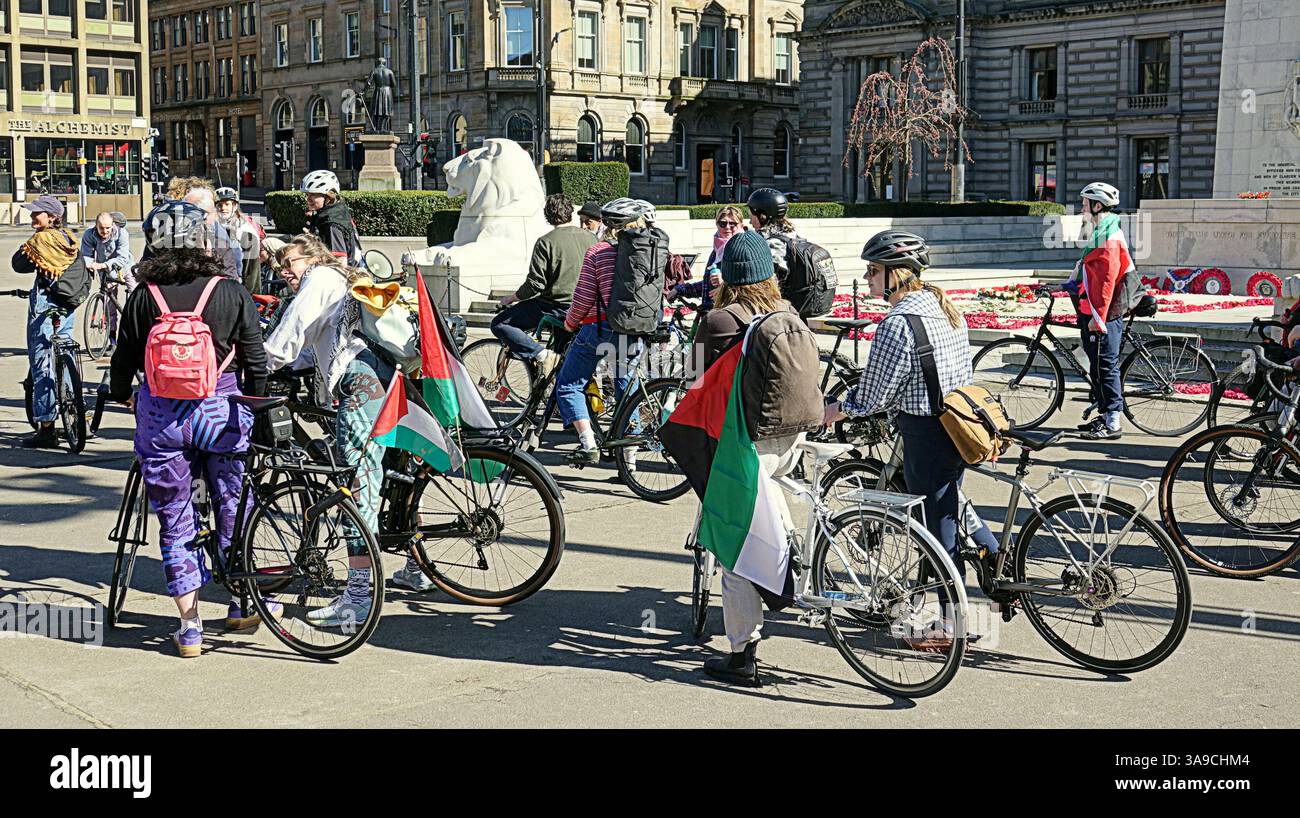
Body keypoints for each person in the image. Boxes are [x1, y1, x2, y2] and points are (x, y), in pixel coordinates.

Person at [824, 230, 1000, 651]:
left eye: (873, 270)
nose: (867, 278)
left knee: (938, 530)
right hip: (959, 425)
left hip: (926, 433)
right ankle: (995, 557)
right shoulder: (944, 308)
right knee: (952, 505)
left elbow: (874, 394)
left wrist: (837, 410)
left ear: (896, 274)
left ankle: (952, 624)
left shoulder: (897, 324)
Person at [107, 213, 269, 658]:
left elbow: (124, 358)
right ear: (205, 243)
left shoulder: (145, 295)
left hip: (163, 418)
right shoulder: (230, 291)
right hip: (221, 412)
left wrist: (122, 395)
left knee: (175, 517)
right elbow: (256, 360)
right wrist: (258, 408)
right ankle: (242, 600)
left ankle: (190, 625)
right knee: (233, 502)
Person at [689, 229, 822, 686]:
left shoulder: (718, 320)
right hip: (791, 437)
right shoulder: (788, 313)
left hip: (747, 445)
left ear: (726, 274)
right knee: (771, 511)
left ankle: (742, 653)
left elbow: (692, 379)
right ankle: (787, 560)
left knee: (735, 547)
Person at [263, 235, 388, 618]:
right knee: (384, 476)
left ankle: (359, 597)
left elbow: (288, 336)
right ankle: (416, 569)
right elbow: (307, 349)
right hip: (379, 378)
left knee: (357, 485)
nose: (284, 272)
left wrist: (256, 365)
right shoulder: (335, 280)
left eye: (290, 262)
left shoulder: (318, 278)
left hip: (360, 384)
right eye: (279, 267)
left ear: (313, 258)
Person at [558, 198, 657, 465]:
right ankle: (629, 461)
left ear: (608, 225)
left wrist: (570, 323)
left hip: (599, 329)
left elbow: (583, 298)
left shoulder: (598, 252)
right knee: (627, 391)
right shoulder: (648, 250)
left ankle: (588, 444)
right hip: (634, 328)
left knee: (569, 384)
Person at [492, 194, 597, 378]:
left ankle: (542, 355)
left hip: (554, 307)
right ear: (570, 213)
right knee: (563, 364)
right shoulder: (591, 239)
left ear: (547, 216)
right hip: (585, 308)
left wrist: (512, 298)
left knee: (500, 323)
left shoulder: (546, 242)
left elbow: (535, 284)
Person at [1068, 181, 1138, 441]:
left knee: (1106, 368)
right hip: (1093, 310)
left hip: (1104, 314)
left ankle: (1113, 424)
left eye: (1085, 203)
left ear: (1097, 206)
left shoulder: (1109, 237)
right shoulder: (1102, 231)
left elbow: (1107, 281)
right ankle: (1105, 415)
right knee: (1098, 367)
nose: (1082, 208)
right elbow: (1090, 272)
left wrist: (1098, 318)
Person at [14, 195, 83, 448]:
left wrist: (31, 243)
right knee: (64, 350)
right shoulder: (68, 238)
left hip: (45, 303)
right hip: (67, 301)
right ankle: (74, 413)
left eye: (37, 213)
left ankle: (46, 427)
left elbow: (18, 264)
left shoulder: (41, 240)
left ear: (52, 216)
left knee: (42, 362)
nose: (32, 216)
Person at [669, 205, 744, 312]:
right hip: (713, 311)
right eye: (722, 223)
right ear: (717, 225)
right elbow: (707, 285)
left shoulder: (744, 249)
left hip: (732, 313)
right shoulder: (717, 250)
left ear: (741, 225)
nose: (727, 227)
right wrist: (680, 289)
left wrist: (725, 285)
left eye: (732, 223)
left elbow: (752, 286)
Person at [301, 170, 364, 266]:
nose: (308, 199)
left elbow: (340, 261)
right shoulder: (338, 210)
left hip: (346, 271)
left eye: (313, 194)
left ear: (328, 196)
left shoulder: (331, 224)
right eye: (307, 194)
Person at [746, 188, 799, 286]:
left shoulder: (773, 243)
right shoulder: (790, 234)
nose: (750, 221)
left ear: (762, 216)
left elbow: (769, 282)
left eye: (751, 216)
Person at [215, 187, 264, 294]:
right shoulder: (212, 226)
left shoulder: (245, 230)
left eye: (227, 204)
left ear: (235, 206)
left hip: (239, 285)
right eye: (219, 205)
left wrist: (248, 295)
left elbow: (251, 269)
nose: (223, 208)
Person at [81, 211, 136, 292]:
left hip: (124, 266)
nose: (105, 231)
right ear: (96, 225)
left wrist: (103, 265)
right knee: (108, 294)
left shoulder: (122, 233)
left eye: (108, 228)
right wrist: (89, 264)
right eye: (101, 228)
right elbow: (86, 254)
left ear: (112, 225)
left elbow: (122, 258)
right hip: (104, 268)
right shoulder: (89, 234)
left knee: (134, 291)